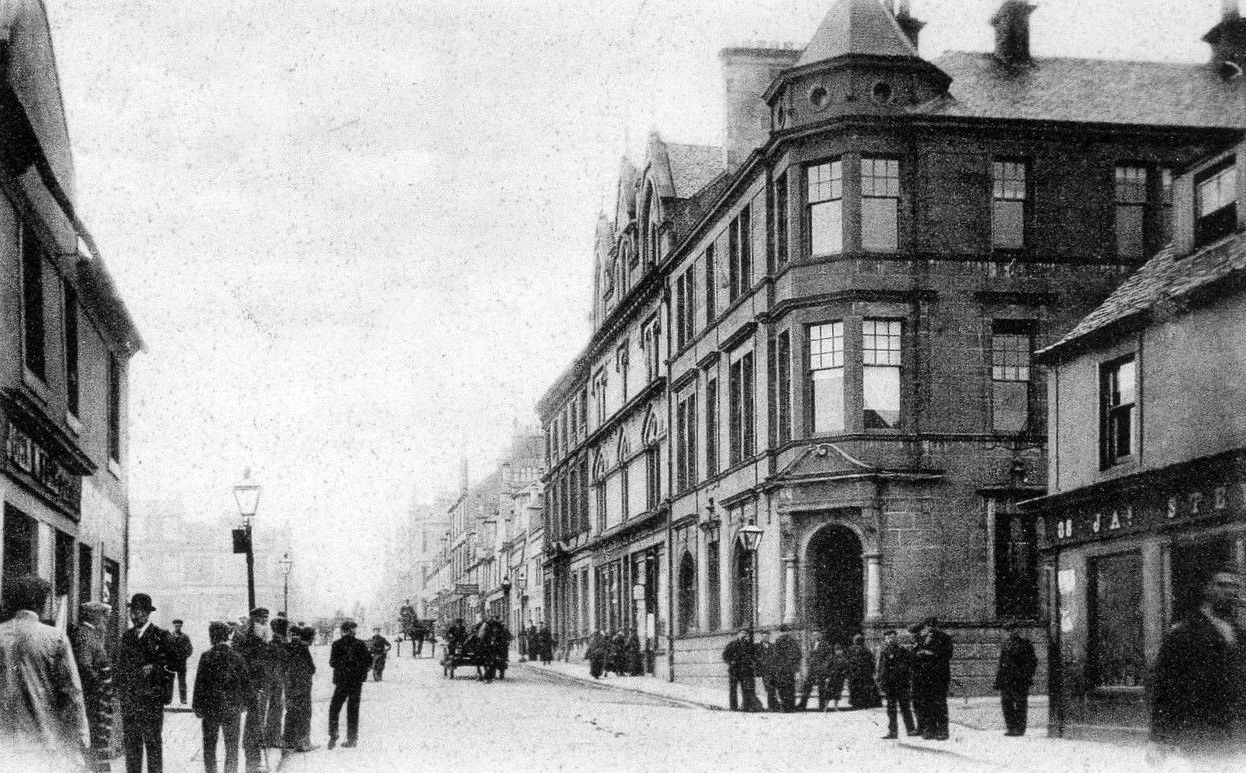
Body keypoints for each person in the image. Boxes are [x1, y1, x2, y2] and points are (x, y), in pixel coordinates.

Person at [1150, 564, 1246, 763]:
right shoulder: (1183, 633)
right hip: (1200, 731)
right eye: (1222, 585)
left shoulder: (1238, 633)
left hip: (1234, 731)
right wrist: (1158, 739)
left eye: (1234, 587)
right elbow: (1164, 688)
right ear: (1207, 589)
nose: (1230, 591)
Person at [0, 575, 89, 770]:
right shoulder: (55, 638)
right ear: (40, 604)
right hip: (44, 740)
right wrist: (81, 735)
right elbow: (72, 693)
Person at [117, 592, 177, 773]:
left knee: (152, 742)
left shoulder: (161, 635)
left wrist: (156, 668)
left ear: (147, 613)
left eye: (139, 612)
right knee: (132, 744)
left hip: (151, 700)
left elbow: (174, 664)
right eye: (132, 611)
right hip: (130, 700)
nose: (134, 616)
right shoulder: (127, 636)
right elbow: (121, 666)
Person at [192, 621, 248, 773]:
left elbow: (199, 684)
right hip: (232, 708)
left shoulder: (206, 657)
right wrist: (243, 704)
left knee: (209, 745)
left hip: (210, 709)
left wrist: (197, 707)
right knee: (232, 747)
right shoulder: (237, 657)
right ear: (227, 636)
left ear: (212, 637)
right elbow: (245, 684)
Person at [71, 601, 117, 772]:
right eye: (103, 616)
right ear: (93, 616)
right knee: (96, 741)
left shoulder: (91, 634)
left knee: (99, 741)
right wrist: (99, 686)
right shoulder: (84, 635)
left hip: (97, 699)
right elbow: (84, 666)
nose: (105, 620)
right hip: (93, 700)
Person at [232, 607, 273, 773]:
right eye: (262, 619)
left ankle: (253, 762)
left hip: (251, 685)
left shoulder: (246, 637)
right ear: (255, 620)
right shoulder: (253, 641)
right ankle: (253, 764)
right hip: (254, 687)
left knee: (254, 724)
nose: (265, 622)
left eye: (266, 619)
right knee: (254, 724)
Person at [327, 620, 372, 749]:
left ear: (343, 631)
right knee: (353, 710)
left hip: (342, 680)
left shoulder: (336, 644)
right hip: (356, 682)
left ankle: (333, 734)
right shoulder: (360, 644)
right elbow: (369, 661)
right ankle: (352, 739)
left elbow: (332, 663)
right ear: (352, 630)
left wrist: (343, 666)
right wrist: (362, 672)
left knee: (334, 707)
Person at [912, 617, 953, 740]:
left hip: (939, 676)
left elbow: (947, 655)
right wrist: (919, 653)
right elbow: (914, 653)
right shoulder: (921, 638)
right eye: (928, 626)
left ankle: (943, 731)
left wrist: (932, 653)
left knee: (940, 704)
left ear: (936, 626)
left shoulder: (945, 638)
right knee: (927, 703)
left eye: (931, 626)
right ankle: (930, 729)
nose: (929, 629)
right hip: (925, 676)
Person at [993, 621, 1038, 737]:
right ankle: (1011, 727)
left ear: (1012, 631)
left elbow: (1032, 661)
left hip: (1019, 680)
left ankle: (1019, 728)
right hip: (1007, 680)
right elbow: (1002, 664)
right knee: (1006, 703)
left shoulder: (1024, 644)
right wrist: (999, 680)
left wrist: (1025, 675)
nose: (1003, 634)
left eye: (1005, 631)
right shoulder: (1005, 645)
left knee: (1020, 704)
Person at [875, 629, 917, 739]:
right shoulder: (884, 651)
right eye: (887, 638)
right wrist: (880, 680)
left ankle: (911, 729)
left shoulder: (902, 650)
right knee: (891, 709)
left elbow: (909, 665)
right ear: (885, 640)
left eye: (892, 637)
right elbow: (880, 667)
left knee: (905, 707)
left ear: (896, 638)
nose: (889, 640)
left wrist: (907, 679)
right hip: (890, 684)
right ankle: (893, 732)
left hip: (901, 683)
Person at [283, 626, 317, 753]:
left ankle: (289, 741)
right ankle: (303, 743)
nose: (314, 639)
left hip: (290, 685)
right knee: (304, 713)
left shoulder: (292, 646)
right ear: (310, 637)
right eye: (313, 636)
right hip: (301, 686)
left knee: (291, 712)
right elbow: (309, 668)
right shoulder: (303, 649)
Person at [265, 617, 291, 749]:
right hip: (277, 679)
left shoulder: (272, 643)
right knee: (277, 707)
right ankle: (274, 738)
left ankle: (271, 737)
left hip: (274, 679)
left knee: (274, 708)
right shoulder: (280, 643)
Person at [722, 629, 763, 712]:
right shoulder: (732, 644)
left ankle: (745, 706)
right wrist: (731, 661)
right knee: (733, 689)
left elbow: (755, 656)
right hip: (734, 670)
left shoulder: (749, 645)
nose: (743, 635)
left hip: (745, 671)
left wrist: (752, 663)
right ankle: (733, 707)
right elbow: (725, 655)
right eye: (742, 633)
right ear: (738, 634)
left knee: (745, 689)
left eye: (745, 633)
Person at [798, 630, 832, 711]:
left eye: (817, 634)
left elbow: (829, 656)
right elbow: (808, 655)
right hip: (812, 669)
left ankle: (822, 706)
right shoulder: (811, 644)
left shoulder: (825, 644)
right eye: (813, 635)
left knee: (821, 688)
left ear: (820, 635)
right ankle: (802, 705)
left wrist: (824, 665)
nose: (815, 636)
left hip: (820, 669)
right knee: (807, 686)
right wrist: (808, 662)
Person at [771, 624, 802, 712]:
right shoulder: (791, 641)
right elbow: (798, 656)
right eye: (784, 632)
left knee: (785, 688)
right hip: (787, 669)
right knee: (789, 688)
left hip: (783, 669)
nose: (784, 633)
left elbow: (775, 657)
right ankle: (789, 706)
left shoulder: (780, 641)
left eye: (785, 632)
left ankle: (786, 706)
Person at [845, 634, 881, 709]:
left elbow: (848, 661)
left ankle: (856, 703)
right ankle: (863, 703)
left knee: (856, 688)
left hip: (855, 672)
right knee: (863, 688)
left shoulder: (852, 649)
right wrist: (872, 671)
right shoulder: (866, 649)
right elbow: (871, 662)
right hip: (863, 672)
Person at [166, 619, 194, 706]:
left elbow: (190, 649)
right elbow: (165, 648)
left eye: (179, 625)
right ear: (173, 625)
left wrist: (184, 656)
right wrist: (167, 659)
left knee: (182, 681)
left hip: (181, 663)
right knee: (169, 681)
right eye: (175, 625)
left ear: (181, 626)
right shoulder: (169, 636)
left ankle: (183, 700)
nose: (177, 626)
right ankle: (168, 699)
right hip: (171, 663)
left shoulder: (185, 637)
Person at [755, 631, 779, 711]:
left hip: (773, 670)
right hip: (764, 670)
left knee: (772, 688)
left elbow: (776, 657)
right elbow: (755, 657)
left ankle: (772, 706)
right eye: (764, 636)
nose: (766, 638)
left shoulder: (773, 646)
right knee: (769, 688)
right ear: (761, 637)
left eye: (767, 637)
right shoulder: (757, 646)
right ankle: (772, 706)